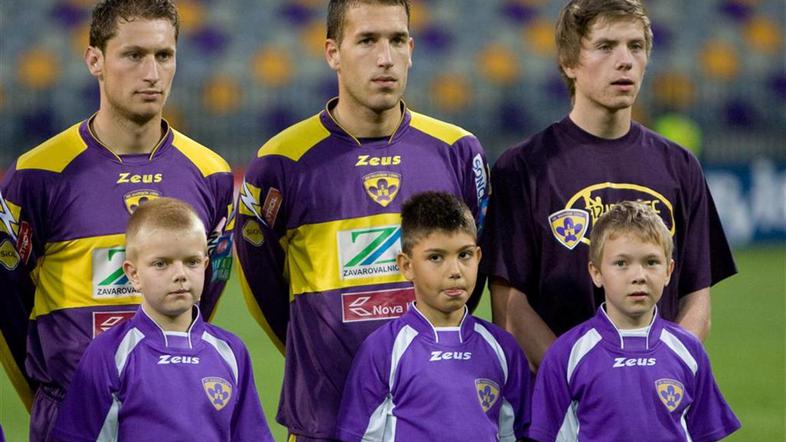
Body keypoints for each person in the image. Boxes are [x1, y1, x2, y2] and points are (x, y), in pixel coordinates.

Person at [235, 0, 490, 439]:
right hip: (325, 422)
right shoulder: (280, 163)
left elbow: (471, 274)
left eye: (396, 40)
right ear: (333, 52)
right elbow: (261, 288)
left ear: (411, 49)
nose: (385, 57)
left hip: (432, 419)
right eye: (367, 40)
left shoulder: (459, 152)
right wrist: (315, 358)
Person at [0, 1, 234, 439]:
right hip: (69, 417)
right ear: (95, 60)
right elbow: (8, 304)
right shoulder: (37, 176)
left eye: (164, 55)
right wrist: (52, 397)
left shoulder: (211, 174)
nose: (152, 73)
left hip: (172, 416)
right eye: (133, 55)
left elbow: (203, 294)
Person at [481, 0, 736, 371]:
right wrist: (581, 381)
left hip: (655, 394)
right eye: (605, 46)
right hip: (562, 400)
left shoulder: (680, 166)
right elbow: (510, 308)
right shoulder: (522, 168)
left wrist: (659, 372)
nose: (625, 60)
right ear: (569, 63)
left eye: (636, 46)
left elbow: (696, 298)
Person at [51, 198, 272, 442]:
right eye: (161, 264)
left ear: (205, 265)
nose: (180, 275)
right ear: (133, 274)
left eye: (192, 262)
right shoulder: (109, 353)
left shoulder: (231, 351)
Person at [528, 201, 740, 441]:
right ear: (596, 272)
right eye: (621, 263)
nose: (638, 276)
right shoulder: (567, 354)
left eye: (651, 262)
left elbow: (705, 433)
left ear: (669, 271)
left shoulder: (689, 350)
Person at [336, 192, 530, 442]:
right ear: (406, 266)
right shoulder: (383, 349)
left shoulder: (503, 348)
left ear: (478, 257)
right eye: (435, 257)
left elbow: (512, 434)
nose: (455, 271)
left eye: (464, 255)